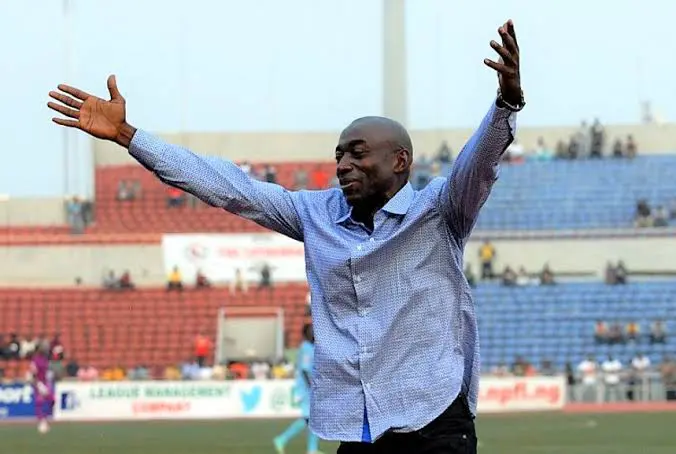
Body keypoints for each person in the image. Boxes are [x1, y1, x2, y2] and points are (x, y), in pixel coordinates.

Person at [47, 19, 523, 454]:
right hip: (361, 429)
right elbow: (229, 188)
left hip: (435, 422)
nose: (343, 165)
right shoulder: (315, 214)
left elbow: (478, 163)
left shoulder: (439, 210)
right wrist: (129, 135)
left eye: (358, 154)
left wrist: (505, 104)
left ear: (400, 161)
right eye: (339, 156)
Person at [274, 323, 321, 454]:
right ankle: (282, 439)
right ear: (306, 334)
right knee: (311, 418)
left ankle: (311, 449)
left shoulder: (312, 347)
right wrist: (312, 386)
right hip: (306, 388)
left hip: (310, 386)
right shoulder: (306, 348)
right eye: (312, 331)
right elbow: (305, 370)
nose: (314, 333)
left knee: (313, 418)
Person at [30, 342, 55, 434]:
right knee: (39, 402)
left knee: (52, 400)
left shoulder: (46, 359)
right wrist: (38, 384)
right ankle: (41, 420)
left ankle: (45, 417)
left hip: (46, 382)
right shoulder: (35, 360)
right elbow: (33, 373)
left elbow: (48, 370)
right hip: (39, 383)